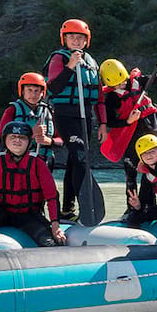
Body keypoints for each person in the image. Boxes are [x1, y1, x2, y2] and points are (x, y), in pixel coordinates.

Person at [42, 19, 107, 221]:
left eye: (80, 38)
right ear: (65, 39)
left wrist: (103, 123)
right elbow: (53, 88)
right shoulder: (58, 59)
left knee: (73, 161)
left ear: (86, 41)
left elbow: (99, 98)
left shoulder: (92, 62)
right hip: (65, 114)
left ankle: (67, 210)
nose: (76, 41)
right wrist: (70, 66)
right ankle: (86, 208)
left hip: (85, 115)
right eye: (72, 37)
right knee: (80, 159)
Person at [0, 121, 65, 246]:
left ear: (29, 142)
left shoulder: (38, 163)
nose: (17, 140)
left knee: (49, 243)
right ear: (5, 140)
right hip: (0, 212)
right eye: (12, 137)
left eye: (22, 138)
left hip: (28, 215)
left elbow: (51, 196)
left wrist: (55, 225)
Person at [101, 57, 157, 202]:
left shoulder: (138, 82)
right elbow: (111, 121)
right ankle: (131, 206)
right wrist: (127, 121)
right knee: (130, 173)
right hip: (130, 137)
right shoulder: (112, 98)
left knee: (153, 170)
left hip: (150, 133)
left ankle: (154, 203)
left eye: (124, 81)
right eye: (118, 85)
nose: (123, 85)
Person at [0, 72, 61, 171]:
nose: (33, 94)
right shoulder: (12, 111)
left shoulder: (49, 112)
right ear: (23, 91)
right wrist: (31, 134)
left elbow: (60, 140)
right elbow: (2, 137)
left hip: (43, 162)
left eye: (37, 91)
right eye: (29, 90)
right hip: (17, 162)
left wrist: (49, 141)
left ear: (42, 93)